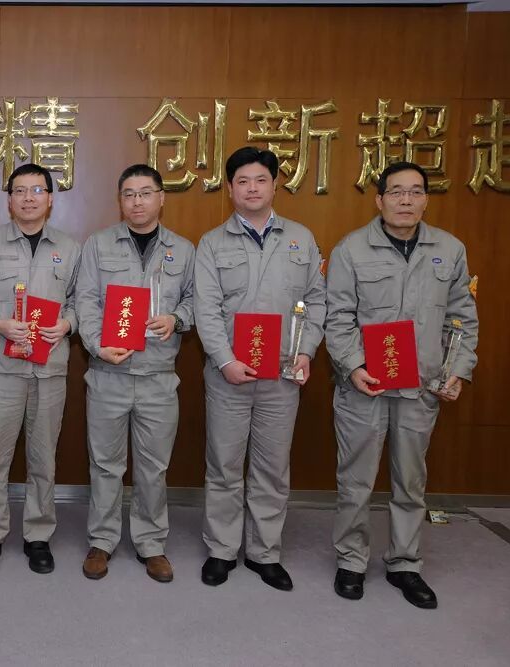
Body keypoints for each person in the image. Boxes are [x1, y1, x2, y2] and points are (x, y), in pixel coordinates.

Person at [325, 161, 478, 609]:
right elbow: (337, 317)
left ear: (426, 199)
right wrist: (353, 366)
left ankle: (405, 563)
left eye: (414, 192)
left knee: (411, 481)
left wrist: (457, 369)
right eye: (396, 192)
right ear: (379, 200)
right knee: (355, 480)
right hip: (364, 388)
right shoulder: (351, 249)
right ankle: (351, 560)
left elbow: (462, 319)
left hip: (420, 389)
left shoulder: (449, 249)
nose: (405, 200)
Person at [193, 146, 326, 591]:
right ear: (230, 189)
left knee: (272, 468)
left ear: (275, 185)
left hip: (283, 375)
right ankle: (221, 549)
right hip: (228, 375)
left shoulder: (301, 239)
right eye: (243, 181)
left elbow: (317, 300)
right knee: (224, 465)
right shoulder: (212, 243)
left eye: (261, 180)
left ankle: (264, 552)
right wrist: (225, 360)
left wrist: (306, 351)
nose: (252, 188)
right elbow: (206, 310)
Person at [75, 163, 195, 583]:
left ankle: (151, 542)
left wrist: (176, 319)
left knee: (153, 466)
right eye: (129, 194)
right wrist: (97, 345)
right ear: (120, 200)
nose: (137, 201)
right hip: (107, 374)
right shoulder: (98, 244)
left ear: (161, 198)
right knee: (105, 464)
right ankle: (102, 540)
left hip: (158, 376)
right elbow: (85, 301)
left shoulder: (183, 250)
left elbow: (197, 301)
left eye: (145, 193)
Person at [0, 163, 79, 576]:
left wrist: (67, 324)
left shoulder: (70, 247)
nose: (28, 198)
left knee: (44, 457)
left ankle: (38, 535)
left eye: (37, 190)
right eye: (20, 191)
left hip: (50, 369)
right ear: (9, 200)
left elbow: (84, 301)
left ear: (50, 198)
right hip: (2, 368)